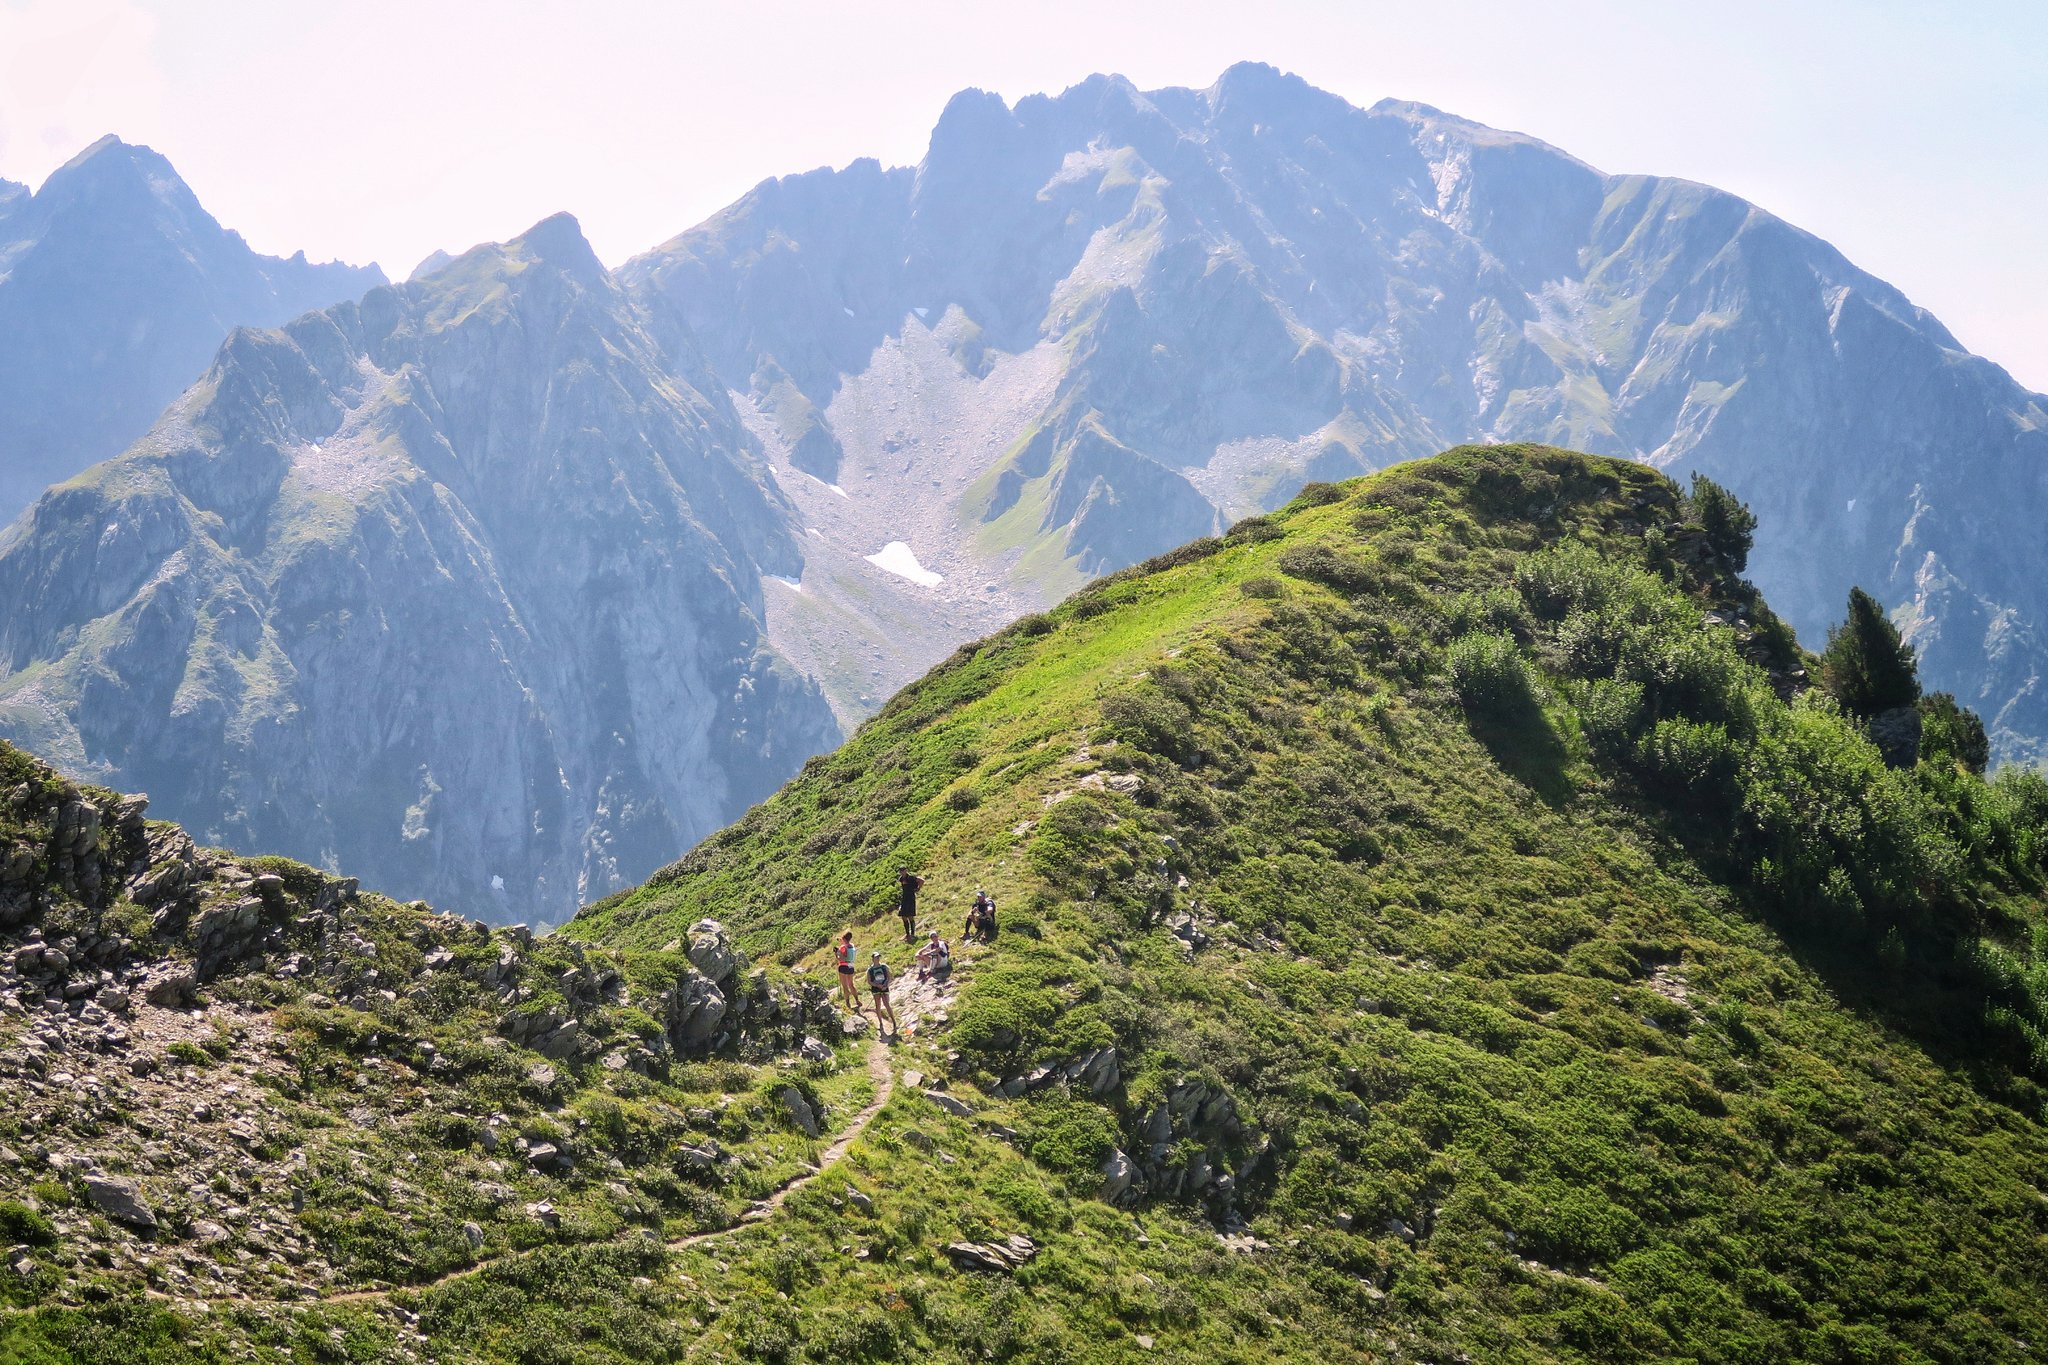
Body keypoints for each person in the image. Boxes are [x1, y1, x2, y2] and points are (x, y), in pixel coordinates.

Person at [867, 950, 898, 1035]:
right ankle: (880, 1023)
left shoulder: (884, 967)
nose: (877, 959)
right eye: (876, 957)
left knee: (887, 1004)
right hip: (876, 989)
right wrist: (877, 985)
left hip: (884, 987)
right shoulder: (870, 969)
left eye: (878, 957)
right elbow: (869, 981)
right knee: (878, 1005)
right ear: (873, 959)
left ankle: (894, 1021)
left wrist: (885, 985)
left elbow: (889, 977)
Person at [897, 870, 925, 943]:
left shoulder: (911, 877)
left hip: (910, 898)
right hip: (904, 898)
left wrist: (918, 888)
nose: (902, 872)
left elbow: (922, 880)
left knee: (910, 916)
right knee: (903, 916)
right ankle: (907, 934)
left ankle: (912, 934)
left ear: (906, 871)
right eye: (901, 871)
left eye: (903, 870)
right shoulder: (901, 879)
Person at [834, 931, 859, 1010]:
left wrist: (836, 953)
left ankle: (848, 1003)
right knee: (851, 985)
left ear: (844, 938)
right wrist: (840, 940)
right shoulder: (852, 946)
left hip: (843, 966)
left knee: (845, 986)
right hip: (851, 966)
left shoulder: (842, 948)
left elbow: (840, 958)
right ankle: (857, 1000)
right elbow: (844, 942)